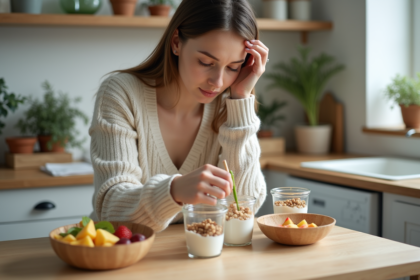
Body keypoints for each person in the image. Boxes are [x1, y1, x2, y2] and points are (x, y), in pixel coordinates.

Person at [89, 0, 268, 232]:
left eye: (233, 67)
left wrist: (241, 100)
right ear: (176, 43)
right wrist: (173, 191)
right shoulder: (121, 93)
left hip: (193, 255)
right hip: (120, 254)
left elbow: (243, 208)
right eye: (206, 62)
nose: (218, 82)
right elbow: (111, 210)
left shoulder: (229, 106)